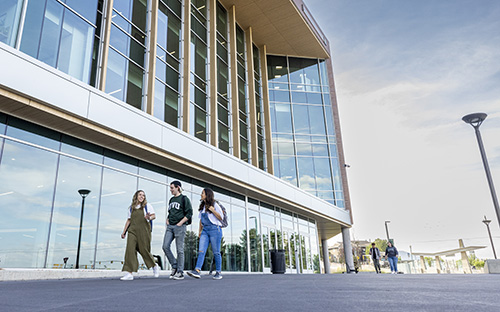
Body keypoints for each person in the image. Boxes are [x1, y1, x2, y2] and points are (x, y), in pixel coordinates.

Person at [120, 190, 160, 281]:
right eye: (140, 195)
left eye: (143, 195)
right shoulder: (131, 208)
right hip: (132, 231)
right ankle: (129, 272)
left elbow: (154, 216)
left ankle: (154, 265)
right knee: (130, 249)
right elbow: (129, 220)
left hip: (144, 231)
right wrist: (124, 232)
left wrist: (149, 217)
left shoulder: (147, 206)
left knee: (144, 250)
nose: (142, 197)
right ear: (136, 196)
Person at [186, 188, 223, 280]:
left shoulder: (215, 204)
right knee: (201, 250)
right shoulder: (202, 206)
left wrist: (213, 210)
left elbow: (221, 217)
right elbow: (200, 220)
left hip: (215, 230)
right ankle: (197, 270)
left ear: (207, 195)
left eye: (202, 193)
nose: (201, 195)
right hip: (205, 231)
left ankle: (218, 272)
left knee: (216, 252)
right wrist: (200, 231)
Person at [162, 180, 192, 280]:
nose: (170, 190)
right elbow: (171, 212)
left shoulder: (184, 199)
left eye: (172, 188)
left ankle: (180, 272)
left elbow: (189, 213)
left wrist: (180, 223)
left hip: (180, 227)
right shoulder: (171, 200)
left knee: (180, 250)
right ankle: (174, 265)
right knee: (165, 246)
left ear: (177, 187)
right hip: (170, 227)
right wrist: (167, 219)